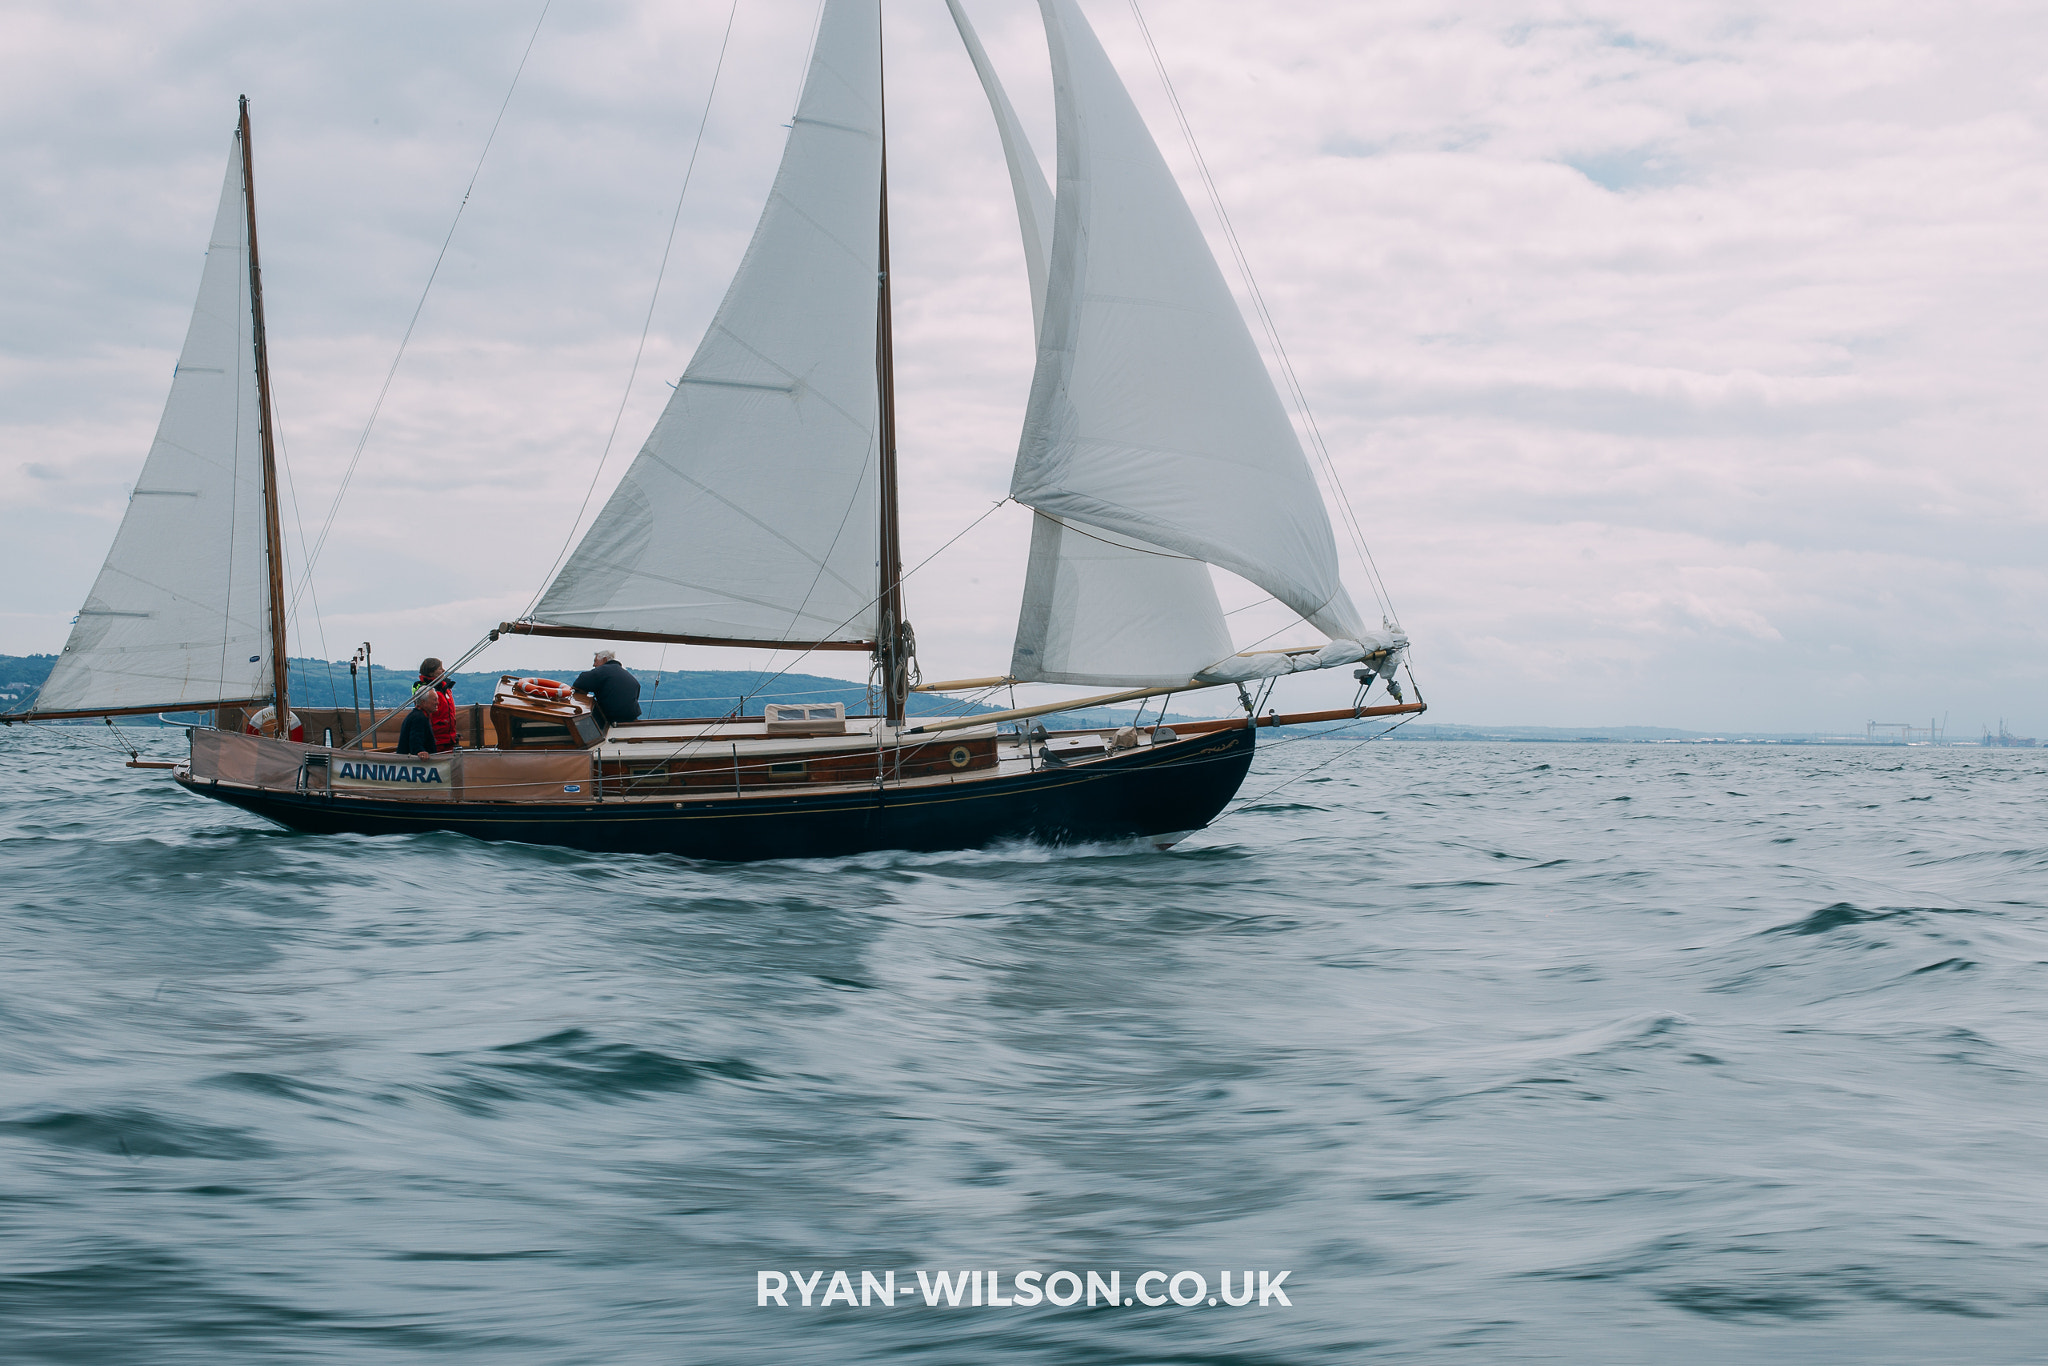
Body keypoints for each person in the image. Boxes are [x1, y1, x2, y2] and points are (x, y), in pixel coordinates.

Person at [572, 649, 641, 726]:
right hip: (631, 718)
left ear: (604, 659)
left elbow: (580, 682)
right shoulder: (625, 673)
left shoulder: (603, 671)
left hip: (611, 719)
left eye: (595, 661)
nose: (594, 665)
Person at [408, 657, 459, 751]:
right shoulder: (426, 691)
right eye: (440, 668)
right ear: (431, 672)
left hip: (449, 739)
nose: (444, 670)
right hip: (436, 740)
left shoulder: (446, 689)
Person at [395, 687, 437, 755]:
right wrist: (419, 751)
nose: (437, 702)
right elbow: (415, 739)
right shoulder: (419, 718)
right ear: (423, 702)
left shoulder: (417, 715)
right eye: (434, 700)